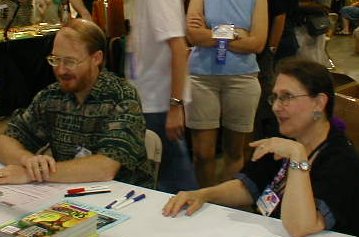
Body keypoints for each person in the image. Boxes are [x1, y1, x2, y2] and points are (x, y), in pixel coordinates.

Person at [163, 58, 359, 237]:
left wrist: (298, 157)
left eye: (287, 97)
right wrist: (203, 194)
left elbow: (301, 227)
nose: (276, 107)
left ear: (319, 102)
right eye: (275, 97)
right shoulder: (288, 139)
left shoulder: (342, 162)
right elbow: (247, 186)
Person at [0, 19, 153, 188]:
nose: (60, 70)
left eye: (70, 61)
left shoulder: (122, 98)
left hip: (125, 201)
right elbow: (6, 140)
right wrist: (27, 161)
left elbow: (105, 167)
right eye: (55, 60)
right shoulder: (51, 97)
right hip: (67, 196)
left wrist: (34, 174)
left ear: (96, 58)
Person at [185, 0, 267, 187]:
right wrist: (236, 34)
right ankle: (205, 202)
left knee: (235, 151)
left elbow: (257, 43)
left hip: (242, 77)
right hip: (201, 77)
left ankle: (227, 205)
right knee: (202, 153)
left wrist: (212, 34)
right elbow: (194, 35)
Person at [128, 0, 198, 193]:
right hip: (150, 99)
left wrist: (175, 106)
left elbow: (178, 49)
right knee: (163, 182)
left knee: (175, 184)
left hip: (159, 104)